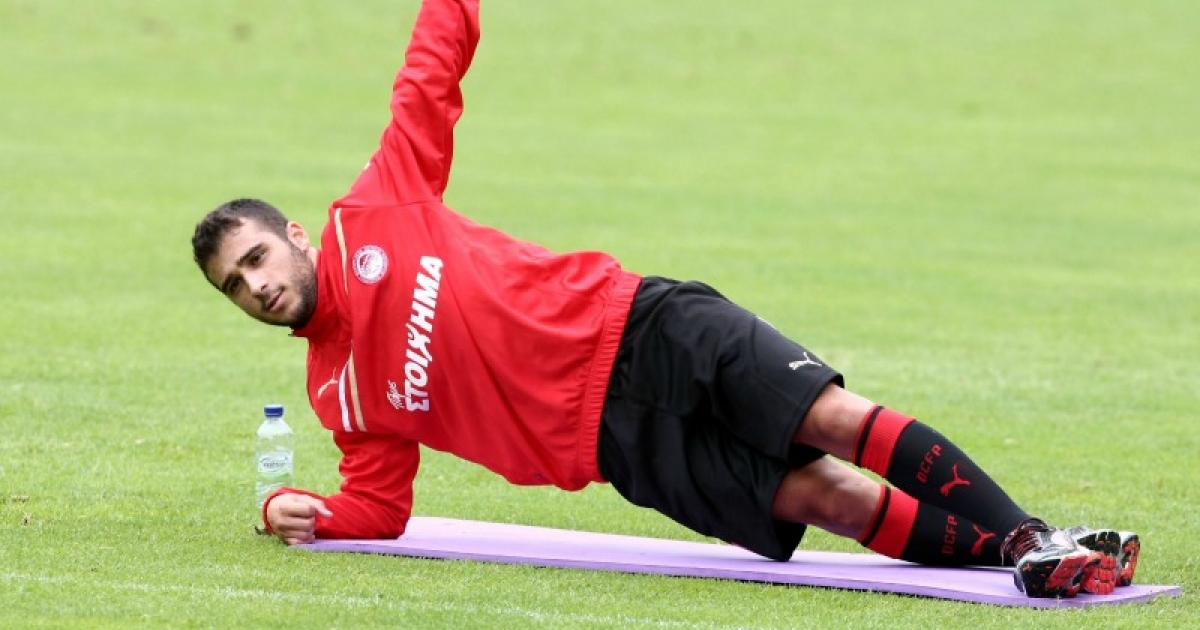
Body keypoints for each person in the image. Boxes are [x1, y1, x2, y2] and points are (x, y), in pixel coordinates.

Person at [191, 0, 1139, 599]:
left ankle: (1030, 536)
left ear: (295, 236)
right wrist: (293, 508)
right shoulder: (339, 396)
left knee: (835, 420)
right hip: (617, 445)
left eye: (258, 257)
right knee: (833, 501)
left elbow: (432, 68)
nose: (257, 285)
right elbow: (378, 506)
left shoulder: (374, 211)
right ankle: (1043, 562)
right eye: (236, 285)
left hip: (641, 323)